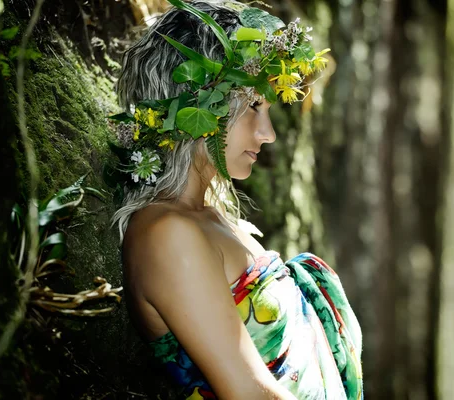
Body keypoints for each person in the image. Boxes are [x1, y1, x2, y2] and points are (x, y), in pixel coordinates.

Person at [110, 1, 363, 399]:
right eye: (253, 107)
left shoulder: (213, 219)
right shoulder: (167, 235)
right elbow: (248, 393)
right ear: (199, 102)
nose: (268, 134)